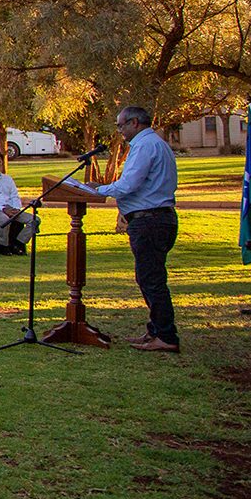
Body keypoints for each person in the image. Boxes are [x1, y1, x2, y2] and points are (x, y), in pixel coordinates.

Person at [88, 105, 181, 353]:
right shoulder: (154, 143)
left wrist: (98, 189)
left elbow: (129, 184)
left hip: (150, 220)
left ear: (135, 123)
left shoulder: (145, 145)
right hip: (157, 218)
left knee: (152, 280)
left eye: (121, 125)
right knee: (148, 277)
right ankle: (155, 331)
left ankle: (166, 335)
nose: (120, 131)